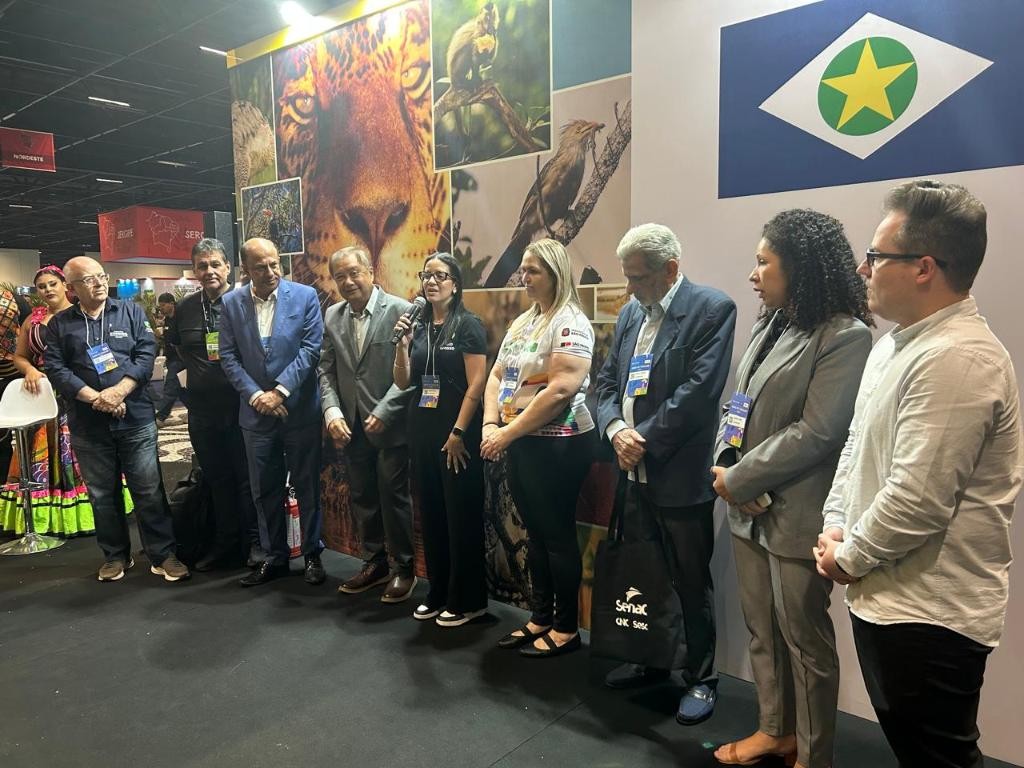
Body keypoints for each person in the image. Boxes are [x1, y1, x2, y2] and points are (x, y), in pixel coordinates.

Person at [814, 180, 1022, 768]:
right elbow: (857, 446)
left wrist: (848, 557)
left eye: (876, 256)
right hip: (886, 592)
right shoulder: (897, 345)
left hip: (930, 611)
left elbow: (917, 499)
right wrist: (835, 523)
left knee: (939, 757)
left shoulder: (958, 356)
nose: (863, 268)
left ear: (924, 267)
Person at [710, 211, 872, 768]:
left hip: (797, 513)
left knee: (805, 644)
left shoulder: (846, 336)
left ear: (799, 267)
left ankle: (814, 754)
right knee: (762, 631)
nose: (753, 274)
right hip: (746, 508)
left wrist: (741, 478)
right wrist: (725, 464)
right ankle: (775, 730)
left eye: (764, 262)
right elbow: (737, 406)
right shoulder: (770, 325)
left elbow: (818, 432)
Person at [594, 223, 736, 725]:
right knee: (645, 572)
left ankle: (701, 678)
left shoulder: (711, 309)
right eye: (627, 277)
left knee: (689, 581)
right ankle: (650, 658)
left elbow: (698, 393)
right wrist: (615, 430)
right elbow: (605, 383)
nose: (630, 288)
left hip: (679, 475)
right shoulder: (631, 313)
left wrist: (643, 440)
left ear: (670, 269)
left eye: (638, 277)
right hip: (632, 473)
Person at [480, 238, 597, 658]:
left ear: (556, 273)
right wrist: (491, 424)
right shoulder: (525, 321)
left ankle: (565, 628)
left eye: (533, 271)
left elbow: (562, 388)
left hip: (560, 444)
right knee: (535, 534)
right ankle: (540, 616)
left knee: (557, 536)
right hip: (522, 441)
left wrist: (506, 434)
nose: (524, 277)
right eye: (524, 269)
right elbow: (497, 375)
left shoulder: (570, 321)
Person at [44, 256, 188, 583]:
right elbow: (56, 368)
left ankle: (163, 554)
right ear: (72, 288)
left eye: (101, 276)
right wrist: (96, 398)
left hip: (135, 416)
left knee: (149, 490)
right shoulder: (60, 324)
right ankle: (115, 555)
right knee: (102, 494)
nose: (98, 283)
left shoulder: (131, 312)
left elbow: (146, 355)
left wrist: (119, 392)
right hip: (88, 422)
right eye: (88, 279)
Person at [218, 237, 326, 587]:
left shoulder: (305, 296)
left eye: (274, 263)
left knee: (307, 486)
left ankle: (312, 554)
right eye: (261, 267)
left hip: (299, 411)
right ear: (245, 269)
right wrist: (256, 396)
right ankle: (274, 557)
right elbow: (228, 356)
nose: (271, 272)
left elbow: (311, 349)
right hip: (255, 415)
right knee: (264, 490)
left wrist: (279, 392)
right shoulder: (231, 303)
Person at [393, 252, 489, 626]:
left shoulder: (468, 324)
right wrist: (402, 345)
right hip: (423, 430)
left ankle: (467, 600)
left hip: (457, 432)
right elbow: (403, 381)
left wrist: (459, 432)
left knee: (459, 515)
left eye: (440, 276)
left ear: (456, 284)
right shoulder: (419, 324)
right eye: (426, 275)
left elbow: (477, 384)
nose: (431, 282)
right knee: (431, 513)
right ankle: (438, 591)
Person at [318, 246, 417, 602]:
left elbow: (412, 373)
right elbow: (325, 370)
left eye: (354, 273)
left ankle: (404, 569)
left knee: (393, 497)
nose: (348, 281)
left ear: (371, 272)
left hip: (391, 427)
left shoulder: (401, 310)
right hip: (350, 424)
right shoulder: (332, 315)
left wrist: (385, 410)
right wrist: (331, 411)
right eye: (339, 276)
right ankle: (374, 564)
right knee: (361, 496)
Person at [164, 238, 262, 570]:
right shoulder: (186, 308)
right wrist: (183, 391)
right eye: (202, 266)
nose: (209, 271)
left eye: (215, 264)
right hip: (203, 412)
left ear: (228, 267)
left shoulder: (246, 302)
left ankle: (255, 544)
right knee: (217, 479)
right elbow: (176, 352)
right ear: (194, 270)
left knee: (247, 480)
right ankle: (226, 543)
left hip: (242, 407)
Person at [1, 267, 119, 537]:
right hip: (43, 394)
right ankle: (44, 515)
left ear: (66, 285)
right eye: (41, 286)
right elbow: (19, 355)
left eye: (52, 284)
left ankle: (94, 511)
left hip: (80, 392)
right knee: (41, 452)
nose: (47, 290)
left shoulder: (82, 315)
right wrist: (30, 370)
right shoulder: (32, 320)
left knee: (81, 450)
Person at [0, 287, 32, 488]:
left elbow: (29, 334)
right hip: (17, 373)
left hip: (18, 375)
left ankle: (13, 483)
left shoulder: (13, 298)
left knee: (25, 436)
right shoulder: (14, 298)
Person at [154, 292, 185, 427]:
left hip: (181, 358)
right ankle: (196, 411)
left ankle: (160, 416)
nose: (161, 308)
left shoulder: (182, 317)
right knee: (182, 390)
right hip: (172, 358)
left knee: (171, 386)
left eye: (163, 305)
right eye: (160, 306)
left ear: (171, 304)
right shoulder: (168, 319)